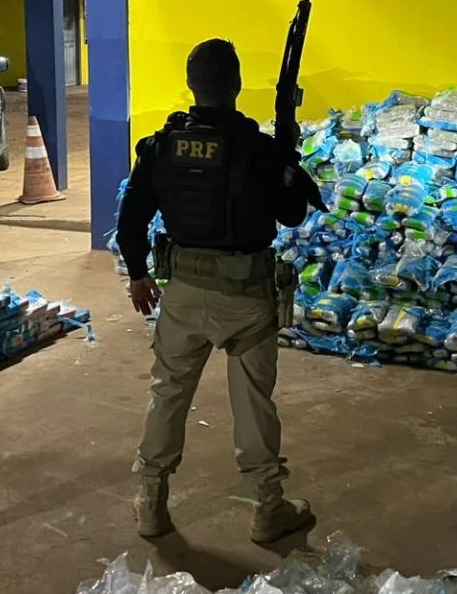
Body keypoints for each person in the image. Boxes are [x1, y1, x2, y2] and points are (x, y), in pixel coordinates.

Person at [116, 38, 320, 544]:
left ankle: (151, 503)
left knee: (167, 394)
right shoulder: (257, 149)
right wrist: (287, 159)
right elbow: (293, 214)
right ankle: (267, 509)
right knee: (253, 403)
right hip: (245, 296)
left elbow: (131, 216)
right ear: (236, 86)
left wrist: (139, 273)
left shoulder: (162, 146)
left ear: (191, 86)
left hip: (182, 291)